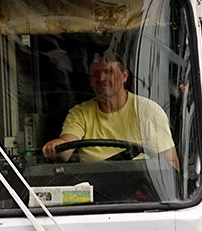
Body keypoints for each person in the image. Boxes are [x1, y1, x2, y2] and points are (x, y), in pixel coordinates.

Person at [41, 51, 177, 168]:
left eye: (109, 71)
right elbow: (66, 148)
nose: (101, 78)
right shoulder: (80, 114)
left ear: (124, 76)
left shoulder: (148, 111)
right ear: (90, 80)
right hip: (95, 191)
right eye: (95, 73)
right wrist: (57, 146)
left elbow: (170, 164)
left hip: (140, 193)